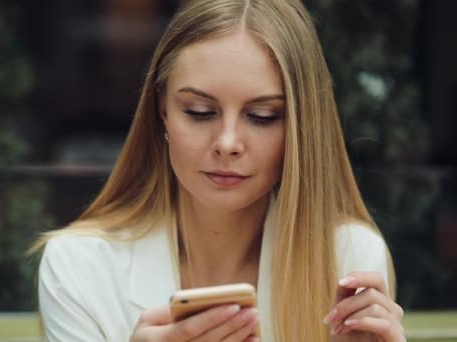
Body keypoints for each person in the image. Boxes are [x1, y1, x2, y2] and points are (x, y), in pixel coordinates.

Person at [33, 0, 405, 341]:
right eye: (199, 111)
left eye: (262, 116)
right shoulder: (78, 267)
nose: (227, 143)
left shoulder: (348, 258)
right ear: (162, 111)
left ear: (299, 127)